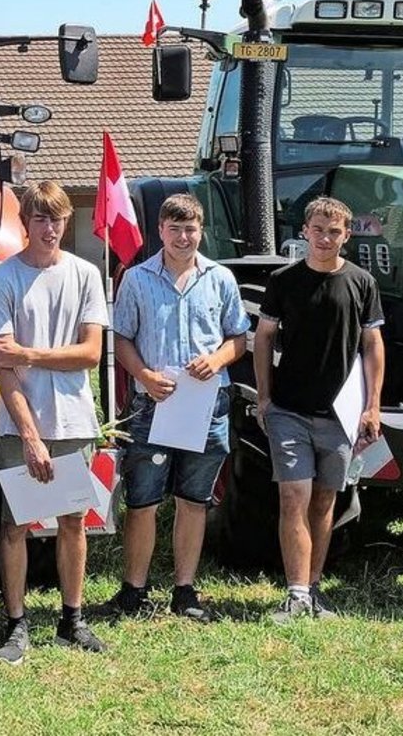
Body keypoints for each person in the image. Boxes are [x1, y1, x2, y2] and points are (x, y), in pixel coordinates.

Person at [106, 194, 248, 622]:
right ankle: (134, 590)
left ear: (200, 230)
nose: (183, 237)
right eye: (174, 229)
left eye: (190, 230)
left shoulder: (221, 278)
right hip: (153, 404)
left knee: (194, 499)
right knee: (143, 500)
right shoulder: (136, 279)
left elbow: (238, 338)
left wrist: (218, 359)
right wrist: (144, 376)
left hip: (207, 406)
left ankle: (184, 591)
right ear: (160, 232)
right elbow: (122, 338)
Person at [0, 180, 108, 663]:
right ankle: (16, 624)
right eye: (41, 219)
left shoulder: (85, 274)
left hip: (75, 419)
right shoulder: (3, 279)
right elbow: (2, 366)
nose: (51, 228)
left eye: (57, 219)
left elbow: (91, 354)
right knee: (15, 525)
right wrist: (31, 437)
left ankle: (71, 619)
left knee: (73, 520)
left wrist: (31, 353)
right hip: (21, 425)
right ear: (25, 223)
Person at [254, 196, 384, 622]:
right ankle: (295, 595)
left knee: (325, 501)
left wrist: (372, 406)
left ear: (347, 236)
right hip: (288, 409)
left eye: (334, 231)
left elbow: (372, 345)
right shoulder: (283, 280)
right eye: (318, 229)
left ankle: (312, 589)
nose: (325, 238)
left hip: (341, 416)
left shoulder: (362, 283)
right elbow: (264, 338)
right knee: (294, 495)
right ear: (304, 232)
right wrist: (264, 396)